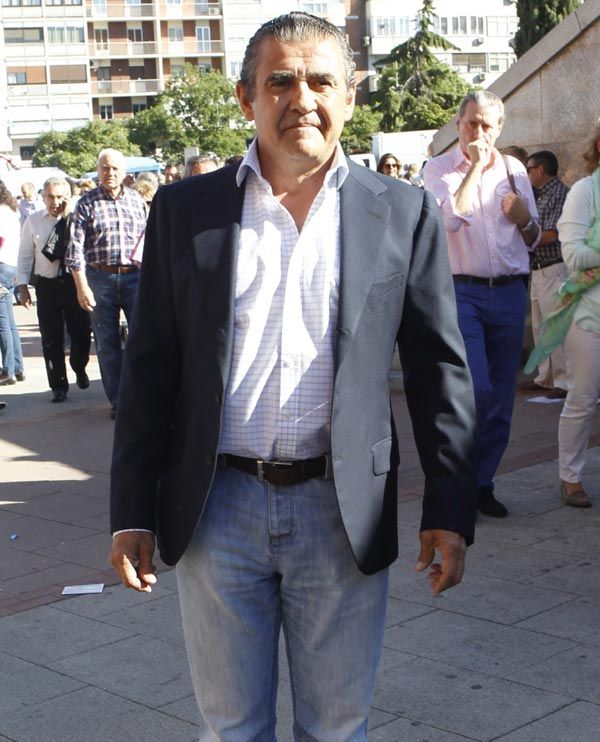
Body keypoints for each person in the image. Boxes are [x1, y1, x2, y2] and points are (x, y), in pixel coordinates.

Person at [109, 12, 477, 740]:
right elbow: (150, 366)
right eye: (280, 80)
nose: (301, 98)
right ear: (247, 97)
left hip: (342, 511)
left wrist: (449, 506)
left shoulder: (402, 212)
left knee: (338, 727)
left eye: (321, 81)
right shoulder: (185, 210)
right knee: (231, 729)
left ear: (350, 97)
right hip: (217, 508)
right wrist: (131, 510)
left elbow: (439, 368)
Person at [424, 91, 540, 518]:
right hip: (462, 291)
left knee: (501, 396)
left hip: (509, 291)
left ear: (500, 128)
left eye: (487, 125)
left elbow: (533, 236)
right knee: (475, 388)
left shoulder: (513, 169)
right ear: (458, 124)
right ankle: (457, 478)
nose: (479, 132)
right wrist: (473, 166)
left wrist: (524, 218)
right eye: (471, 122)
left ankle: (481, 483)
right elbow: (450, 219)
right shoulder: (438, 169)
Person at [529, 120, 600, 508]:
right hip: (588, 313)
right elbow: (572, 255)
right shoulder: (585, 192)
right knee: (583, 397)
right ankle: (570, 478)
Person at [65, 148, 147, 419]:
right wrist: (81, 286)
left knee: (142, 340)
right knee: (107, 343)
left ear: (124, 172)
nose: (109, 173)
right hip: (100, 279)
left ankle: (142, 397)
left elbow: (149, 242)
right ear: (98, 170)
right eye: (104, 168)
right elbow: (74, 250)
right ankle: (119, 402)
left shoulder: (137, 200)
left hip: (135, 278)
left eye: (114, 168)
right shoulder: (86, 203)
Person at [16, 177, 92, 403]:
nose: (55, 202)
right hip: (47, 286)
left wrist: (68, 217)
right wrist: (22, 285)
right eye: (50, 196)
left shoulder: (78, 218)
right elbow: (25, 254)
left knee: (81, 333)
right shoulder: (33, 220)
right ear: (43, 197)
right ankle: (58, 385)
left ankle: (79, 366)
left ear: (68, 198)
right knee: (51, 338)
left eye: (60, 197)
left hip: (73, 283)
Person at [523, 150, 570, 398]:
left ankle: (563, 381)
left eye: (529, 169)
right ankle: (546, 377)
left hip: (554, 266)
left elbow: (551, 234)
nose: (527, 174)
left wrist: (524, 237)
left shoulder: (558, 193)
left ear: (540, 170)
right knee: (540, 327)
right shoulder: (540, 195)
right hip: (540, 268)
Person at [0, 180, 25, 386]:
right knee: (9, 321)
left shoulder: (2, 212)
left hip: (1, 266)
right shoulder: (11, 210)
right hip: (11, 265)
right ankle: (17, 367)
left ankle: (8, 369)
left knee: (2, 322)